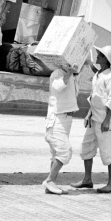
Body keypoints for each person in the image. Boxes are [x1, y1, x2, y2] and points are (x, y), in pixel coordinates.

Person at [71, 46, 111, 194]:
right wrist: (89, 114)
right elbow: (95, 96)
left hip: (105, 120)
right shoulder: (99, 74)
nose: (97, 56)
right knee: (86, 148)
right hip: (94, 119)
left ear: (106, 59)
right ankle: (87, 179)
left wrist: (107, 120)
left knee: (108, 152)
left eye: (100, 55)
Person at [42, 65, 79, 195]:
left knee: (56, 154)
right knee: (65, 152)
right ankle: (50, 180)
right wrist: (69, 72)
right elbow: (58, 87)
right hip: (57, 118)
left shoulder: (72, 76)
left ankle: (51, 183)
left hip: (66, 118)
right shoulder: (57, 73)